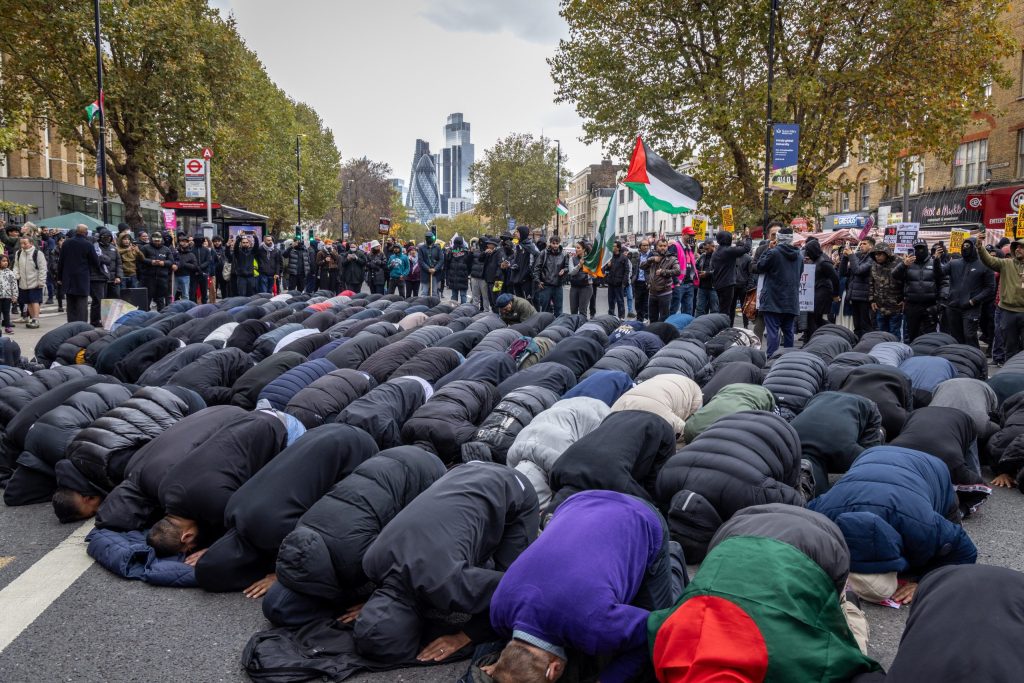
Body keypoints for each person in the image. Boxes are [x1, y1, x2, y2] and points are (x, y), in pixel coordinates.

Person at [484, 491, 686, 683]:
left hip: (641, 517)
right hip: (577, 503)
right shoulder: (498, 611)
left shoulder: (595, 626)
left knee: (662, 634)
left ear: (553, 669)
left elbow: (655, 631)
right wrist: (506, 671)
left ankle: (672, 555)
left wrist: (606, 679)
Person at [352, 462, 539, 663]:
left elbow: (513, 591)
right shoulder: (372, 561)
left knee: (513, 577)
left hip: (514, 487)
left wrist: (465, 636)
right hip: (463, 471)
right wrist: (380, 607)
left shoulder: (449, 584)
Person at [808, 447, 977, 604]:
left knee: (945, 542)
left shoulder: (921, 525)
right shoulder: (825, 513)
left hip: (932, 468)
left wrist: (925, 581)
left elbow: (964, 550)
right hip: (871, 455)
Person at [940, 238, 995, 348]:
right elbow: (938, 274)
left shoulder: (984, 265)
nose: (965, 248)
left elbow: (990, 288)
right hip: (953, 306)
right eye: (964, 246)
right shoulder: (954, 263)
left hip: (971, 308)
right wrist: (937, 260)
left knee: (969, 336)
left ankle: (975, 360)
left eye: (968, 246)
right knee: (956, 337)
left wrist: (973, 301)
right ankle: (961, 361)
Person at [756, 227, 802, 356]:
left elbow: (760, 266)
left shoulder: (773, 252)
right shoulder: (799, 255)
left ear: (778, 239)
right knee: (788, 332)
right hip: (791, 300)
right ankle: (787, 358)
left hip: (773, 299)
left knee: (772, 331)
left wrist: (769, 249)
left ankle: (772, 357)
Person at [892, 239, 940, 342]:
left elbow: (943, 279)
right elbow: (894, 275)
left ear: (927, 248)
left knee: (930, 336)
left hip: (930, 305)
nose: (920, 251)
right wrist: (903, 265)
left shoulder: (934, 262)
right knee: (912, 334)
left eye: (922, 248)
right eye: (917, 248)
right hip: (912, 305)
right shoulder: (907, 263)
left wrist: (941, 301)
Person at [802, 238, 840, 342]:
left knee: (813, 317)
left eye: (808, 251)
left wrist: (835, 294)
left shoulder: (824, 262)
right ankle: (830, 332)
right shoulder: (817, 259)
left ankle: (813, 340)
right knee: (815, 318)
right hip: (817, 291)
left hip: (823, 292)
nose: (807, 253)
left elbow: (835, 278)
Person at [710, 230, 751, 325]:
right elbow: (746, 248)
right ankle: (723, 329)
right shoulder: (728, 250)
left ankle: (724, 327)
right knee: (726, 311)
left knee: (723, 308)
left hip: (719, 284)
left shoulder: (716, 252)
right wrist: (748, 237)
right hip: (727, 284)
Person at [842, 237, 876, 338]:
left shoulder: (872, 259)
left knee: (866, 325)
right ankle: (857, 343)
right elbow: (843, 273)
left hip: (865, 296)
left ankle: (867, 344)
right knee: (857, 325)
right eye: (861, 244)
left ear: (871, 246)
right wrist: (844, 257)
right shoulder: (858, 256)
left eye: (864, 244)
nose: (861, 246)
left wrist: (851, 255)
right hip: (855, 295)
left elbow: (858, 270)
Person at [642, 239, 681, 323]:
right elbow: (642, 266)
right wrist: (651, 260)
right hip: (652, 293)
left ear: (667, 247)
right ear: (656, 246)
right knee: (652, 318)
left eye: (665, 246)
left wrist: (663, 272)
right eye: (660, 246)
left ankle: (662, 334)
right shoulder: (652, 256)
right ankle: (653, 334)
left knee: (664, 318)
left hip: (665, 293)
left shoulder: (672, 258)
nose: (663, 248)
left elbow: (678, 271)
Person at [869, 242, 902, 335]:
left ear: (886, 253)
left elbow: (906, 282)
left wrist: (904, 299)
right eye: (875, 254)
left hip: (895, 305)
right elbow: (871, 283)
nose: (877, 256)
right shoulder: (874, 265)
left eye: (880, 254)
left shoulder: (899, 262)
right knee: (881, 334)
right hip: (880, 306)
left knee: (894, 333)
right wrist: (872, 301)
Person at [533, 236, 569, 317]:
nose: (555, 245)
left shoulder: (564, 254)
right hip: (546, 286)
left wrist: (564, 270)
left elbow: (567, 267)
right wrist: (538, 281)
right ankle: (544, 326)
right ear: (550, 243)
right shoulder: (544, 253)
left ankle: (556, 327)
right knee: (545, 310)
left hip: (558, 286)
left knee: (559, 310)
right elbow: (537, 268)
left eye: (557, 243)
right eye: (553, 243)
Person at [139, 231, 174, 311]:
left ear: (161, 240)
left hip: (162, 278)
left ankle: (161, 314)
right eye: (155, 241)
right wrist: (151, 262)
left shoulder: (166, 249)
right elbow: (140, 260)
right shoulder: (145, 248)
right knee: (147, 297)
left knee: (160, 298)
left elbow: (171, 261)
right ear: (152, 240)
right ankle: (146, 314)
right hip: (148, 277)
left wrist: (163, 263)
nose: (157, 242)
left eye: (158, 241)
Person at [568, 241, 593, 318]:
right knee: (573, 311)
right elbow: (572, 272)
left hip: (586, 287)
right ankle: (574, 327)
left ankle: (582, 328)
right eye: (575, 247)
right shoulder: (572, 259)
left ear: (584, 249)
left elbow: (593, 274)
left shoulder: (590, 259)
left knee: (582, 311)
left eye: (578, 248)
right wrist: (579, 265)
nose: (576, 249)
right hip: (574, 287)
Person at [606, 242, 631, 318]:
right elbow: (605, 269)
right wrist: (608, 266)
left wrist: (624, 283)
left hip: (619, 283)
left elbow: (627, 271)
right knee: (610, 301)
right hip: (611, 283)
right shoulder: (610, 257)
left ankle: (621, 317)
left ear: (618, 248)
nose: (612, 247)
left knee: (620, 301)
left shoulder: (624, 258)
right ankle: (611, 315)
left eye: (614, 246)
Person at [445, 236, 471, 303]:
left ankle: (454, 310)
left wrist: (448, 276)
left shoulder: (451, 252)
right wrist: (466, 273)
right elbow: (469, 265)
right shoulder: (466, 252)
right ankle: (463, 310)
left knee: (454, 296)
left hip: (453, 277)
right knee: (463, 295)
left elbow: (447, 265)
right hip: (463, 277)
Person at [694, 240, 717, 316]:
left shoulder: (717, 256)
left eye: (707, 249)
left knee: (714, 309)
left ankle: (714, 326)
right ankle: (698, 325)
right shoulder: (703, 256)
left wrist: (707, 273)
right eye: (705, 249)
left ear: (712, 246)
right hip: (702, 287)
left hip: (713, 287)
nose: (706, 251)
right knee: (700, 309)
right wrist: (698, 272)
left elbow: (719, 270)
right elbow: (695, 266)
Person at [418, 232, 444, 297]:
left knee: (434, 292)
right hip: (425, 273)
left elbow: (441, 260)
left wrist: (435, 269)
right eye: (429, 238)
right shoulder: (421, 248)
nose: (431, 239)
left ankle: (434, 305)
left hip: (435, 273)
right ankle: (424, 306)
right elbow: (421, 261)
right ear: (426, 238)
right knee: (424, 292)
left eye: (432, 238)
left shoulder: (437, 248)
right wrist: (428, 269)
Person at [174, 236, 200, 303]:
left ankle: (185, 308)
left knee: (185, 295)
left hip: (185, 276)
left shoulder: (191, 254)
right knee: (172, 294)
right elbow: (171, 262)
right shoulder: (175, 253)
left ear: (188, 243)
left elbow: (195, 266)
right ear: (179, 242)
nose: (184, 243)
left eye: (186, 242)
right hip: (174, 276)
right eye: (182, 241)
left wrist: (184, 264)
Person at [632, 239, 652, 322]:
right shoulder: (637, 256)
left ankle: (646, 317)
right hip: (638, 282)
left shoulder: (652, 255)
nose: (645, 247)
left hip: (647, 282)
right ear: (640, 247)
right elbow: (633, 268)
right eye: (643, 245)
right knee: (637, 301)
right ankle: (639, 317)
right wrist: (632, 278)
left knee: (646, 301)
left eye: (647, 245)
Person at [469, 238, 490, 307]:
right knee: (475, 297)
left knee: (485, 297)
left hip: (483, 278)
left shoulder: (489, 252)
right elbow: (468, 261)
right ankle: (475, 311)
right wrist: (470, 252)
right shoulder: (475, 251)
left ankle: (486, 311)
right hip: (474, 276)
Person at [0, 253, 16, 335]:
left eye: (6, 261)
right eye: (3, 261)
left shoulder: (10, 272)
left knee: (6, 312)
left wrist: (14, 296)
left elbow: (14, 284)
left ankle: (7, 327)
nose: (5, 262)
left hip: (7, 296)